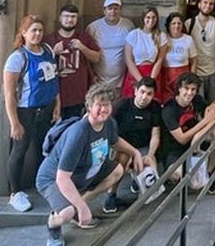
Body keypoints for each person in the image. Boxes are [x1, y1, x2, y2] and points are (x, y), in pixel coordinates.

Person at [39, 83, 143, 246]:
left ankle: (77, 206)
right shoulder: (79, 133)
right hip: (53, 178)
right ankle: (54, 226)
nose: (103, 109)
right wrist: (82, 208)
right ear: (89, 106)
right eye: (99, 105)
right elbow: (62, 178)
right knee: (65, 213)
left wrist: (135, 152)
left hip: (84, 171)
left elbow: (115, 142)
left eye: (107, 104)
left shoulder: (109, 123)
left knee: (116, 171)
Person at [3, 14, 60, 212]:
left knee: (44, 146)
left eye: (40, 30)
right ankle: (15, 191)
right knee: (20, 149)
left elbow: (54, 79)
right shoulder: (18, 57)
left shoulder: (47, 50)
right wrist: (14, 122)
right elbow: (9, 93)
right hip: (26, 110)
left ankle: (43, 182)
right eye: (33, 30)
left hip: (46, 107)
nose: (37, 34)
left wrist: (57, 104)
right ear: (24, 33)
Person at [161, 72, 215, 193]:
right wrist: (204, 122)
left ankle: (210, 171)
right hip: (174, 150)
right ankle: (173, 178)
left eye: (193, 89)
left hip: (196, 144)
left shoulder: (197, 100)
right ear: (179, 88)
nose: (190, 93)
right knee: (180, 174)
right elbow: (181, 138)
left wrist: (199, 134)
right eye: (186, 88)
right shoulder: (169, 109)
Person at [46, 4, 101, 119]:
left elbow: (96, 58)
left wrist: (83, 48)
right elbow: (40, 64)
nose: (69, 20)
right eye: (66, 16)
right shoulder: (50, 39)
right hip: (55, 95)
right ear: (60, 18)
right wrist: (53, 52)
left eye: (73, 17)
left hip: (78, 95)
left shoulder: (84, 37)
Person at [86, 0, 134, 97]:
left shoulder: (128, 26)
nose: (113, 11)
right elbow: (87, 54)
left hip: (120, 81)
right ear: (104, 10)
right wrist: (91, 75)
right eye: (110, 8)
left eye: (116, 8)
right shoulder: (93, 28)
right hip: (98, 80)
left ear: (120, 10)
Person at [112, 76, 162, 170]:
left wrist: (150, 155)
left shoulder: (155, 108)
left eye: (149, 94)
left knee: (151, 164)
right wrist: (131, 152)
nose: (144, 97)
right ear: (135, 91)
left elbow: (155, 135)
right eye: (142, 92)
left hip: (143, 147)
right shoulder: (121, 105)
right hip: (123, 146)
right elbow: (111, 133)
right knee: (123, 160)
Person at [121, 6, 164, 98]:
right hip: (136, 73)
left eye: (154, 17)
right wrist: (141, 81)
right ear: (143, 18)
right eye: (148, 17)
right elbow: (129, 60)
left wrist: (151, 80)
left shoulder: (160, 35)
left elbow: (160, 59)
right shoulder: (133, 35)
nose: (151, 20)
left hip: (153, 73)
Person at [186, 0, 215, 103]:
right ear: (199, 4)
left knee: (213, 104)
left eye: (211, 4)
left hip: (213, 70)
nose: (208, 6)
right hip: (197, 71)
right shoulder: (189, 23)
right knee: (199, 104)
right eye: (205, 2)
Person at [160, 12, 196, 102]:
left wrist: (192, 79)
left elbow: (194, 61)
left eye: (179, 23)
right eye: (173, 23)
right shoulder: (163, 38)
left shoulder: (188, 39)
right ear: (168, 25)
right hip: (166, 79)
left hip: (183, 79)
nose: (176, 26)